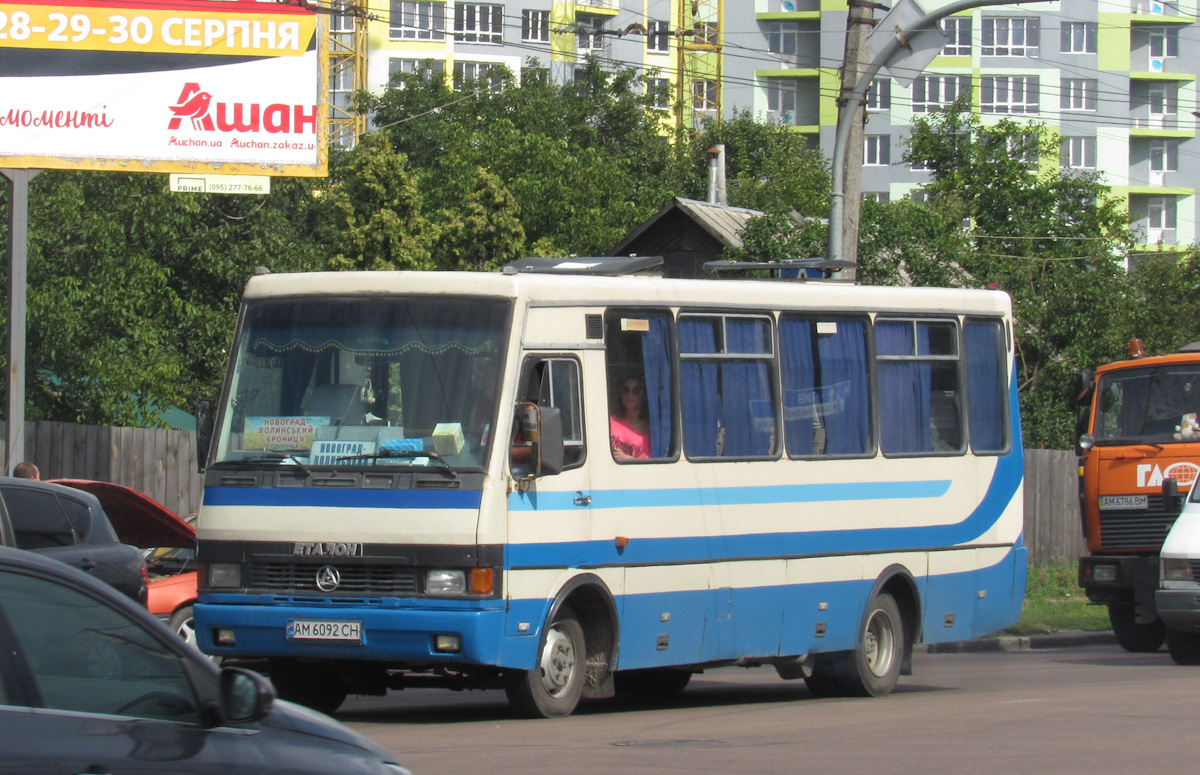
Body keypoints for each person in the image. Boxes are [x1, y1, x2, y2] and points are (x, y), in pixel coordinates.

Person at [610, 376, 651, 460]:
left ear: (643, 395)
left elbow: (647, 465)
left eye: (636, 390)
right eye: (626, 390)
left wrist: (626, 458)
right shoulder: (610, 421)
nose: (630, 394)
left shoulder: (648, 429)